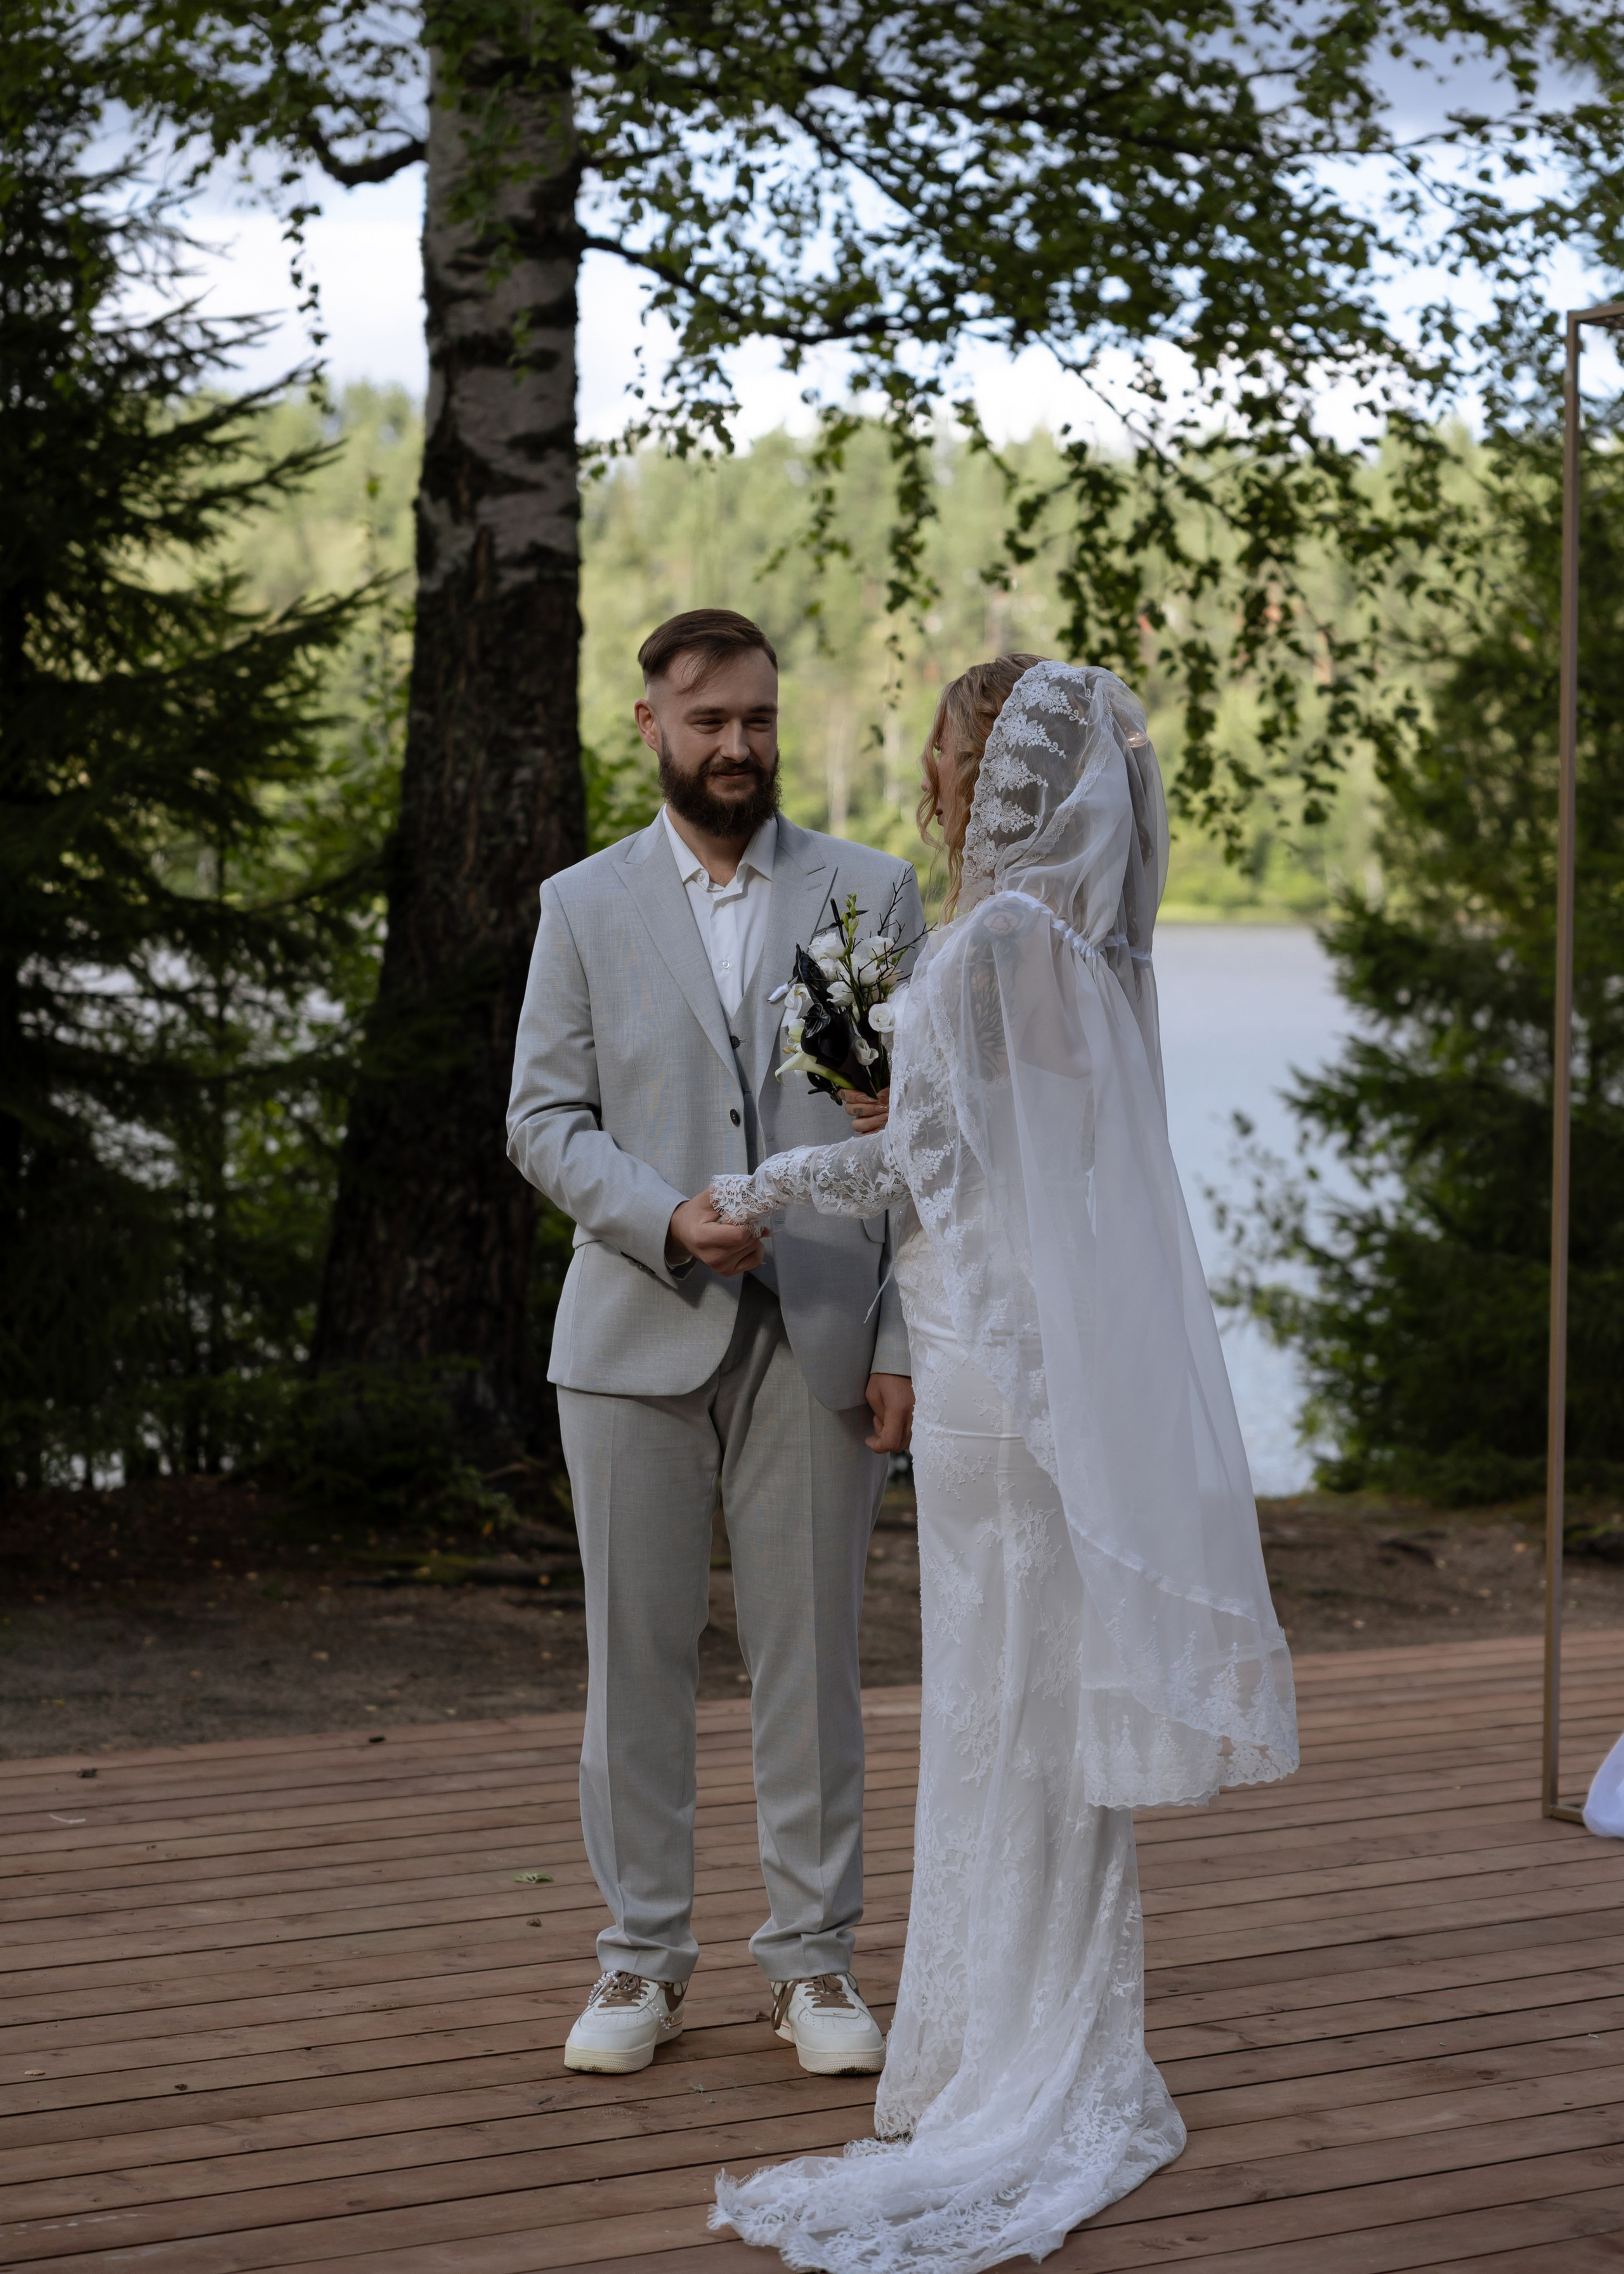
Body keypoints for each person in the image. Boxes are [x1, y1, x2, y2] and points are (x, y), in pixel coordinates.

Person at [707, 656, 1299, 2273]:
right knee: (1000, 1707)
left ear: (995, 776)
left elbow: (923, 1157)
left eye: (952, 760)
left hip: (987, 1371)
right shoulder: (1079, 947)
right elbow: (1027, 1149)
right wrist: (833, 1151)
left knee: (999, 1708)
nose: (940, 786)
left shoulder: (999, 943)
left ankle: (1018, 2063)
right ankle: (996, 2042)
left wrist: (761, 1186)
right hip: (1010, 1354)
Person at [506, 607, 925, 2079]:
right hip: (628, 1337)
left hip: (820, 1338)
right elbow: (539, 1123)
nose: (736, 746)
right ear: (650, 727)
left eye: (754, 718)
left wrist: (902, 1341)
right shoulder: (581, 903)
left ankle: (813, 1967)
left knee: (811, 1664)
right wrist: (662, 1216)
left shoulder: (871, 896)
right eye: (707, 724)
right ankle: (638, 1963)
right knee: (636, 1665)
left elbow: (923, 1147)